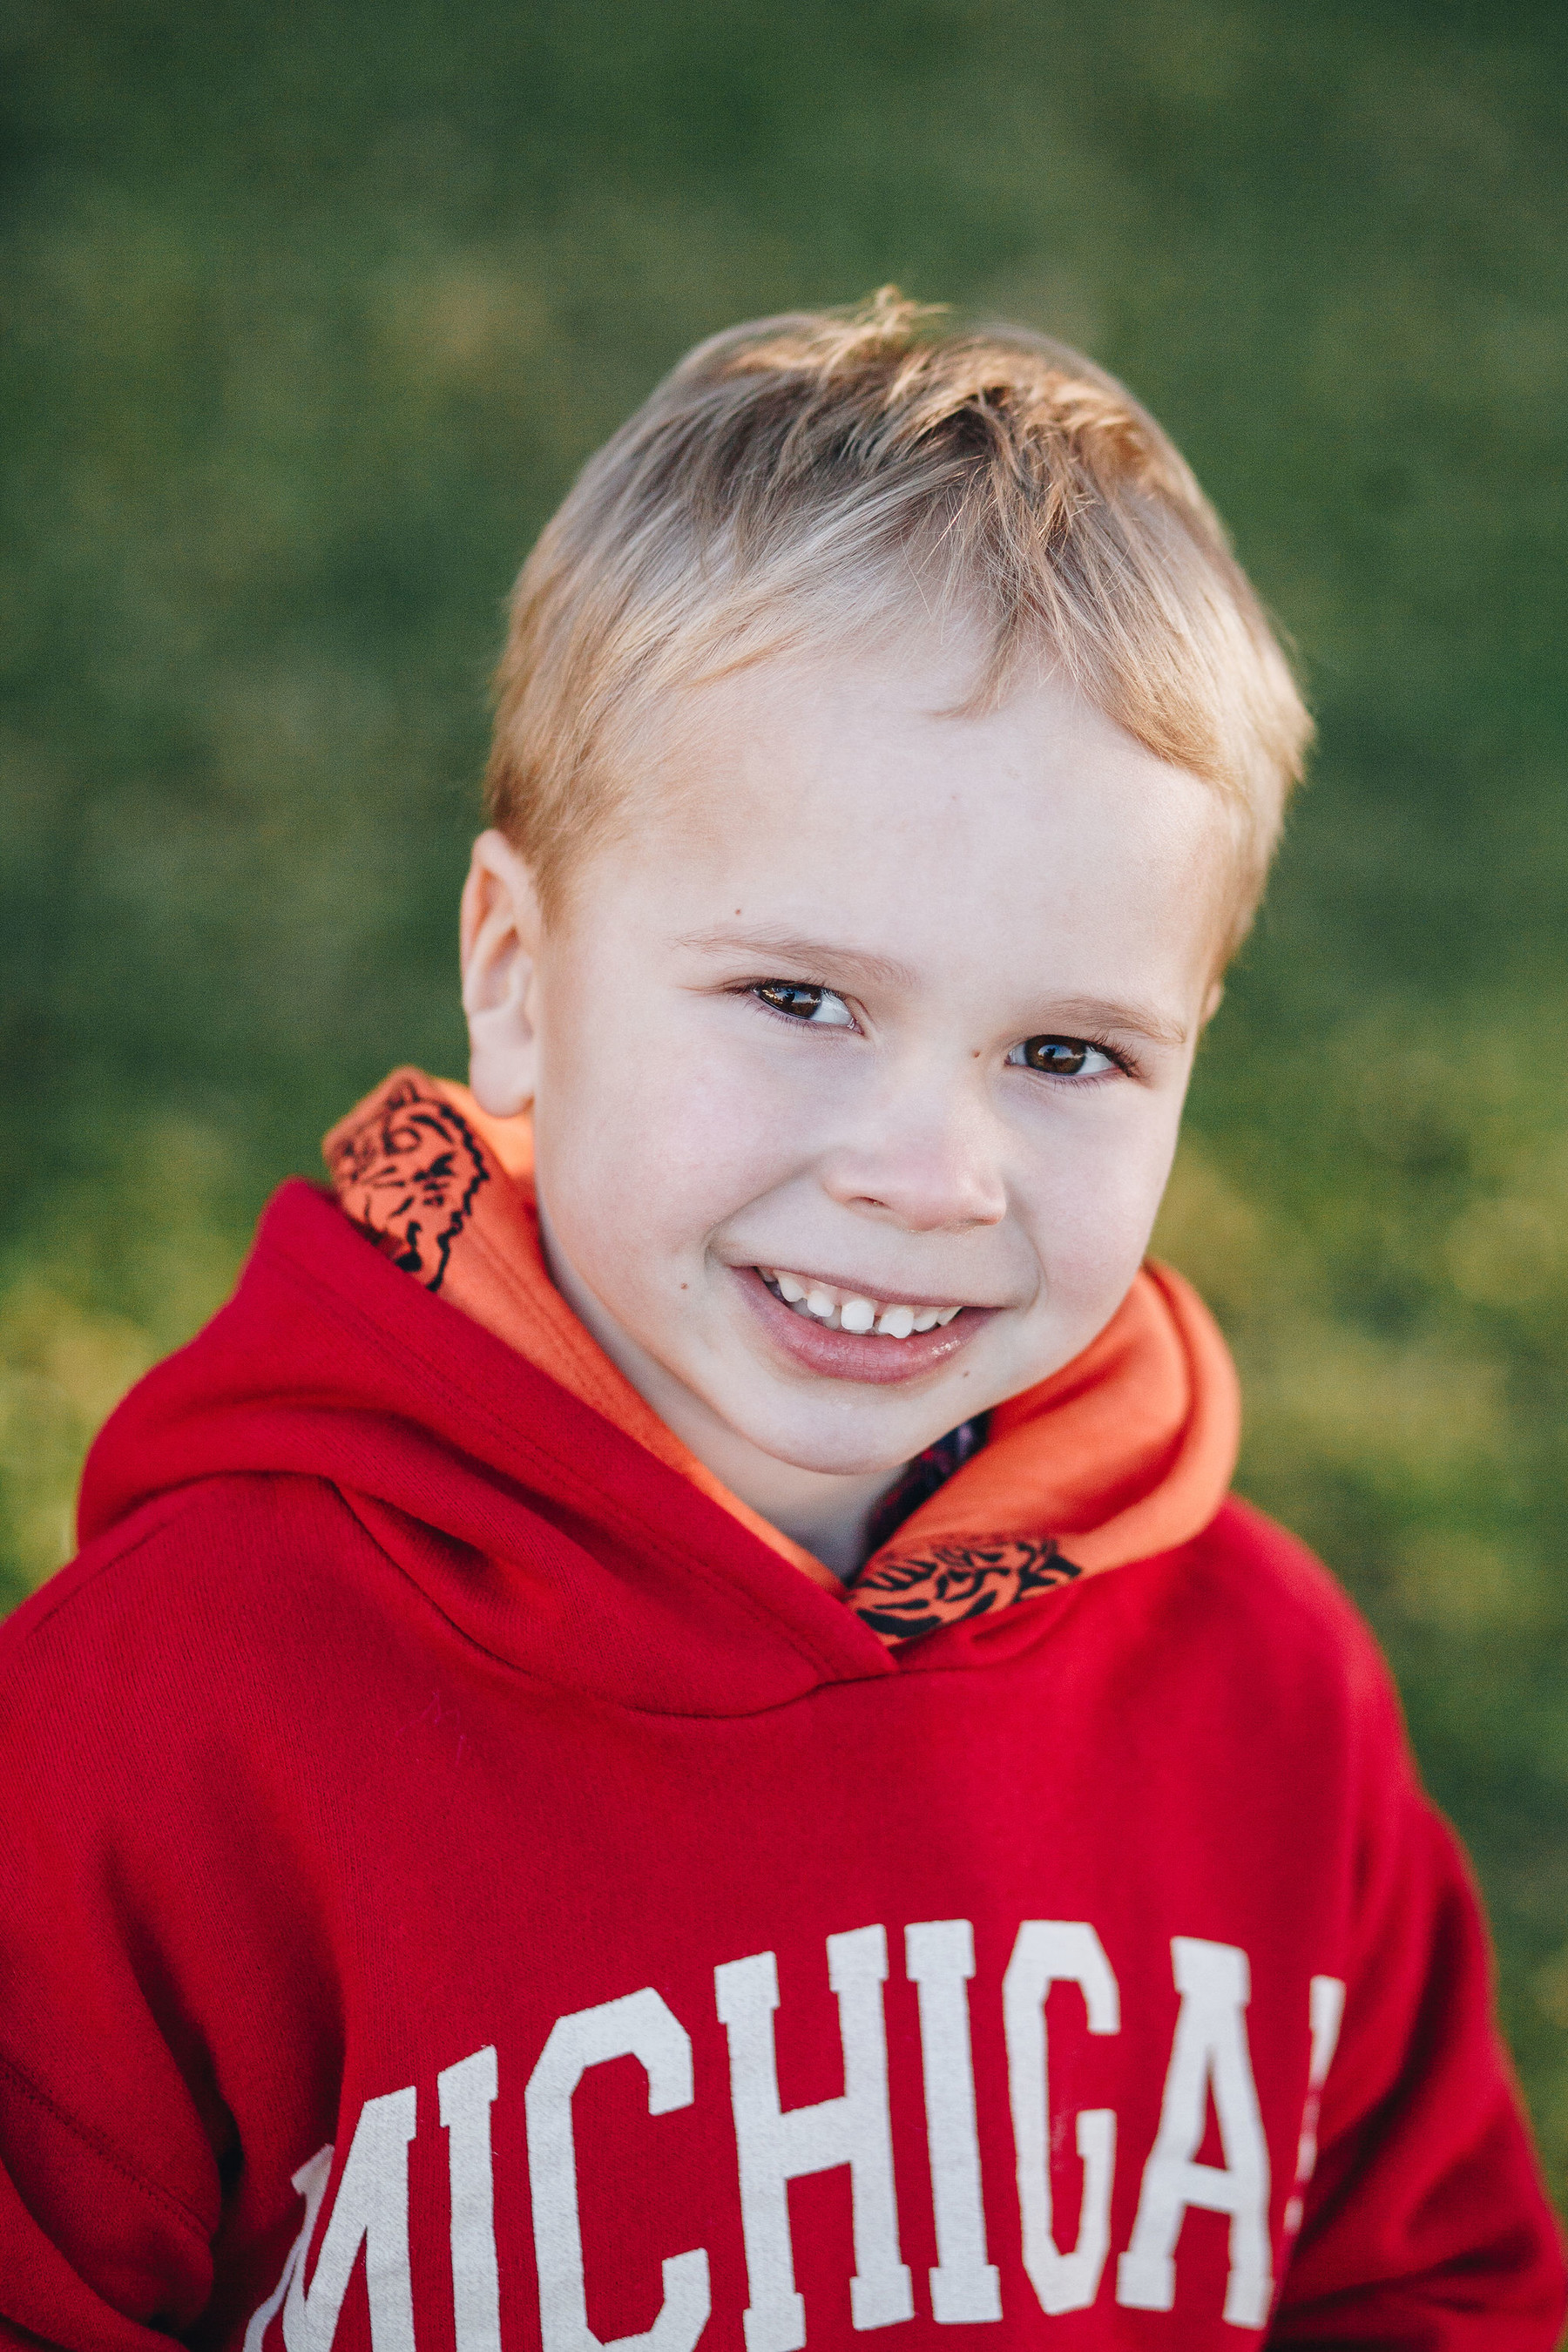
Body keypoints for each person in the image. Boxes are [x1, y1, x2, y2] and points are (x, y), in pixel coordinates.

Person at [0, 293, 1560, 2352]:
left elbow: (1431, 2287)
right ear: (516, 974)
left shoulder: (1273, 1700)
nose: (932, 1174)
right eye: (803, 1001)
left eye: (1069, 1053)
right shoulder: (170, 1714)